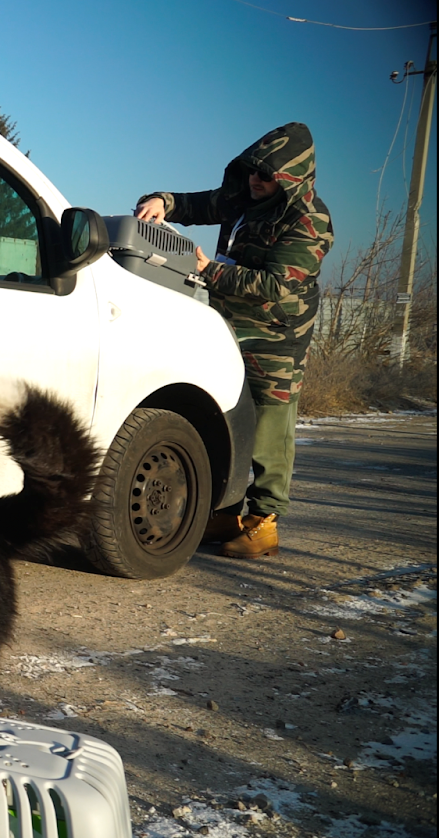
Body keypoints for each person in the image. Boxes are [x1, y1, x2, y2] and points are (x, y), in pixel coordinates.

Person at [135, 122, 332, 560]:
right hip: (227, 321)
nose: (255, 181)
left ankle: (263, 524)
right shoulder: (244, 196)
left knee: (268, 427)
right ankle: (223, 513)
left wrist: (209, 270)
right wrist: (161, 202)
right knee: (225, 413)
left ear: (292, 179)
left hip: (277, 335)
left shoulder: (309, 222)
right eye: (251, 172)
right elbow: (197, 203)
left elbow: (277, 286)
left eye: (266, 176)